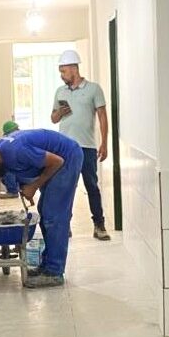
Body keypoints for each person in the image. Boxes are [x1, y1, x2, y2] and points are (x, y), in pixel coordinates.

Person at [0, 130, 83, 288]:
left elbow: (57, 162)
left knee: (54, 215)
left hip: (67, 157)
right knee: (45, 210)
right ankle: (47, 266)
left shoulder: (15, 151)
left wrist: (34, 186)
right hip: (55, 161)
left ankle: (54, 272)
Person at [51, 49, 111, 241]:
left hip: (87, 147)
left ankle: (99, 225)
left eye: (63, 71)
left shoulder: (93, 89)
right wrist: (59, 112)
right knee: (66, 187)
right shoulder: (60, 92)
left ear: (74, 69)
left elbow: (102, 117)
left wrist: (104, 143)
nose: (62, 76)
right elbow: (53, 118)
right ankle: (64, 225)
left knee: (92, 186)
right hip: (65, 149)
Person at [1, 120, 20, 197]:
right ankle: (14, 188)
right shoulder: (20, 137)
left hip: (28, 171)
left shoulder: (13, 140)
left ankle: (13, 191)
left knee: (7, 168)